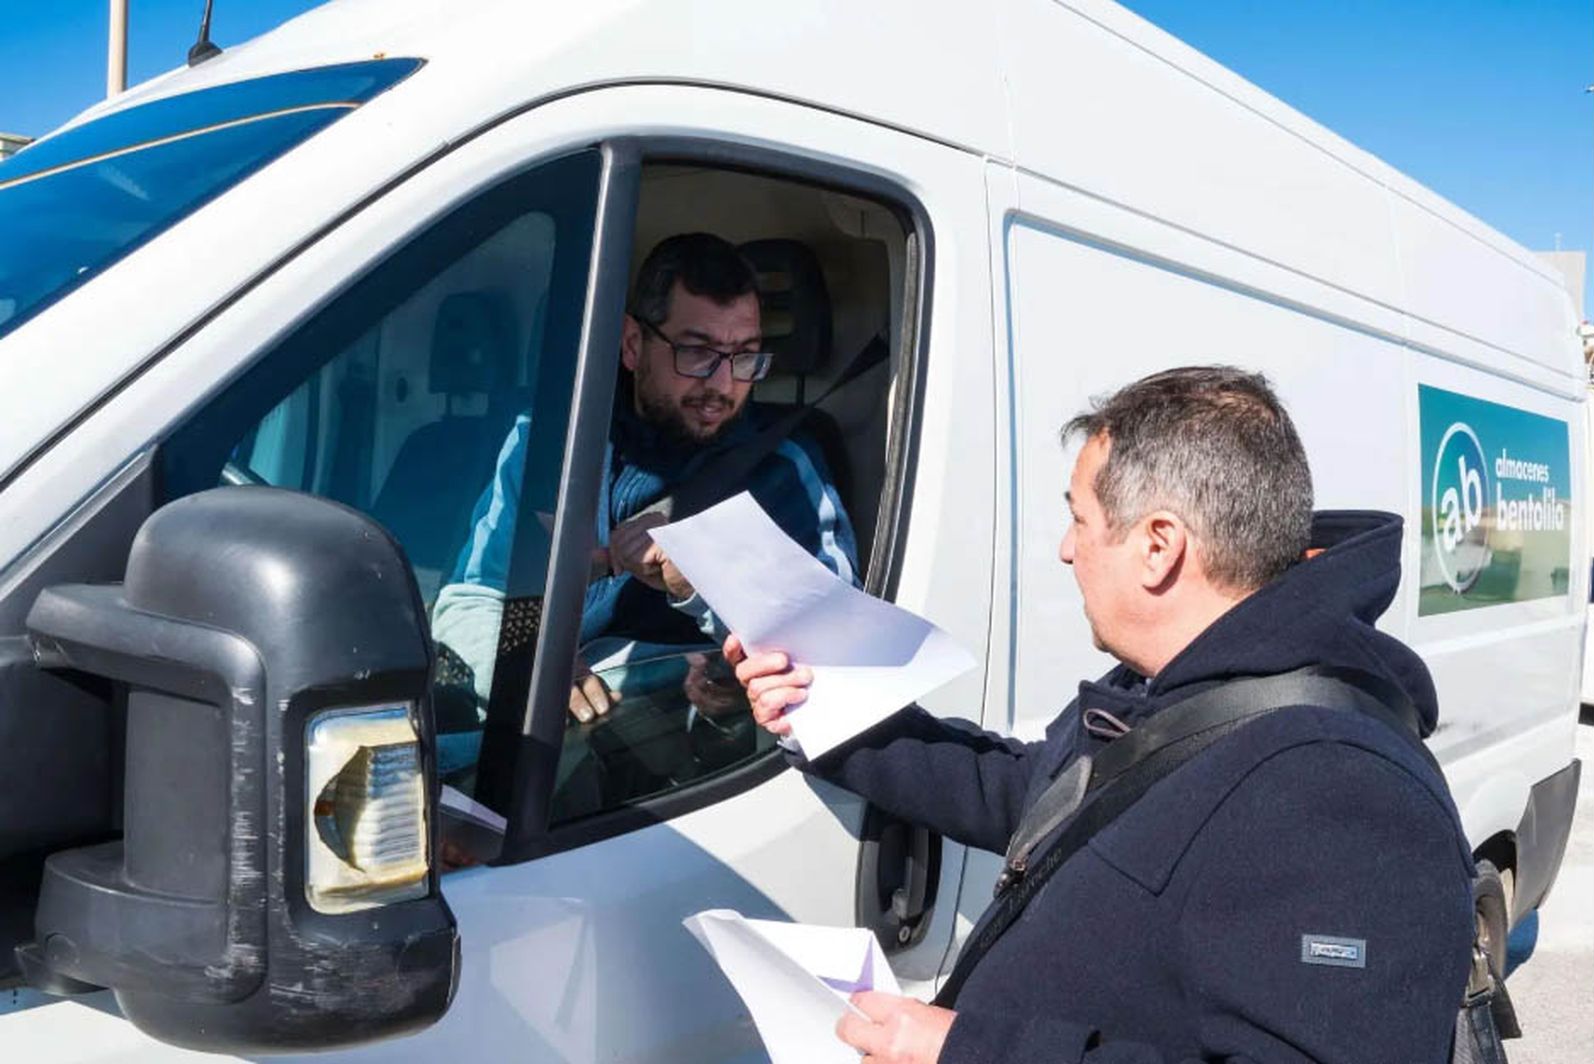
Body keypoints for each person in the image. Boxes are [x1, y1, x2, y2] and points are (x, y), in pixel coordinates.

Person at [725, 366, 1475, 1063]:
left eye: (1079, 520)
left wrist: (969, 1052)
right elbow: (1034, 794)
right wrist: (819, 705)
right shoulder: (1173, 688)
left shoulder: (1339, 790)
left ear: (1158, 547)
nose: (1065, 549)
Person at [433, 232, 857, 723]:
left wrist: (700, 580)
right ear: (633, 344)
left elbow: (835, 652)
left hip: (696, 750)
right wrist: (531, 667)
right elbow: (473, 599)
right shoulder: (551, 444)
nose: (723, 384)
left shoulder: (784, 468)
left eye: (746, 356)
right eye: (696, 352)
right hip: (539, 739)